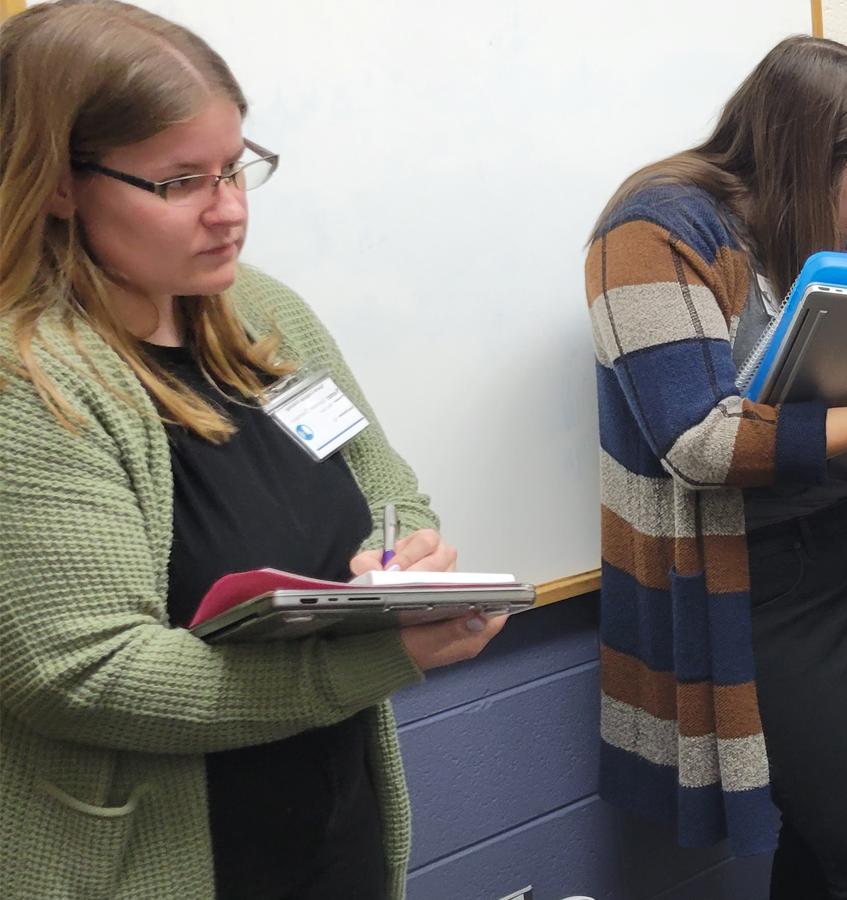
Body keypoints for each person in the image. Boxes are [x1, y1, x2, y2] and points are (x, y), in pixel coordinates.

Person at [0, 3, 508, 897]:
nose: (229, 211)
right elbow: (80, 672)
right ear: (57, 183)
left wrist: (406, 563)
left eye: (237, 168)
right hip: (157, 863)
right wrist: (373, 659)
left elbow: (389, 492)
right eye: (182, 182)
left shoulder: (263, 313)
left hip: (329, 825)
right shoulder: (29, 378)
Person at [585, 34, 847, 900]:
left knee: (828, 844)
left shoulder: (808, 233)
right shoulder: (653, 228)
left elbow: (808, 384)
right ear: (809, 152)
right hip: (762, 579)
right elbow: (700, 442)